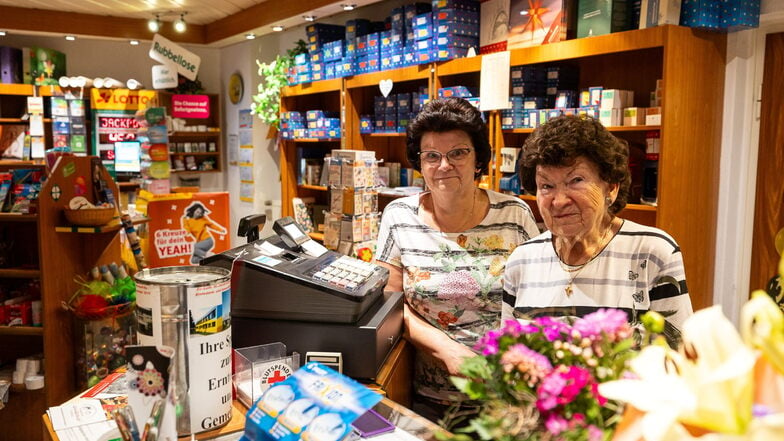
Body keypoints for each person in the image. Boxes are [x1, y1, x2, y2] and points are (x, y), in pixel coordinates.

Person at [374, 97, 539, 423]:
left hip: (508, 396)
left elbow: (540, 298)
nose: (444, 165)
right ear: (419, 163)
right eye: (431, 156)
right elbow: (388, 305)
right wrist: (447, 351)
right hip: (430, 398)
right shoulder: (399, 216)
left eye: (458, 153)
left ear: (479, 158)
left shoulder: (514, 215)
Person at [502, 115, 692, 344]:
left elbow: (678, 352)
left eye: (576, 180)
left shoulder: (652, 252)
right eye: (546, 186)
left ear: (610, 188)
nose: (559, 200)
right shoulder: (522, 261)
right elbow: (508, 354)